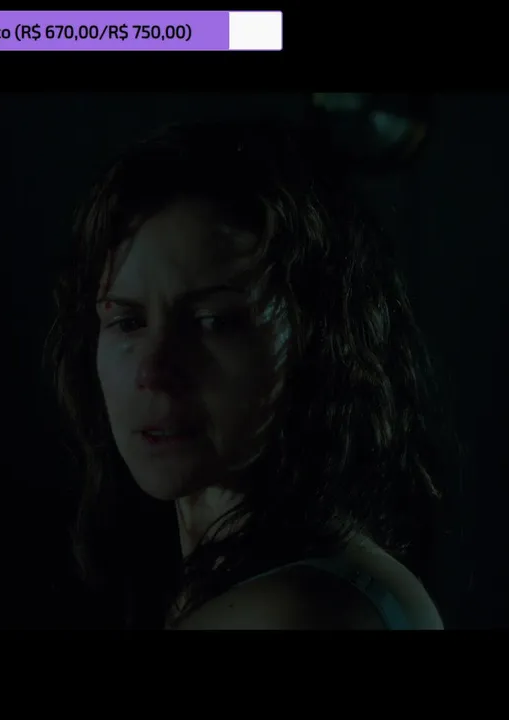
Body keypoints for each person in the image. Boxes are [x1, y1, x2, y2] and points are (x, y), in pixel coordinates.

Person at [46, 119, 448, 629]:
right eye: (128, 321)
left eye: (212, 322)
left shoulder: (299, 609)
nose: (153, 371)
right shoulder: (294, 581)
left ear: (315, 338)